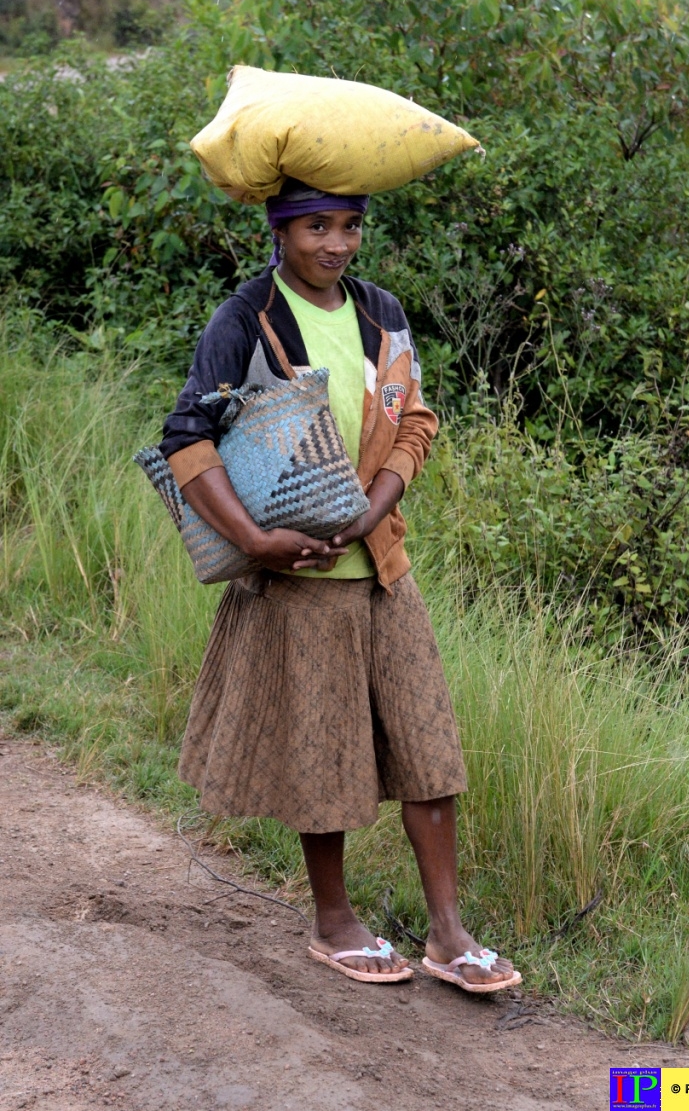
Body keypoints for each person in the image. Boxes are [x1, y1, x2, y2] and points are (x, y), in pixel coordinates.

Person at [159, 178, 520, 991]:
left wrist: (374, 508)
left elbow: (415, 419)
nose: (335, 243)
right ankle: (333, 921)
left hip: (381, 568)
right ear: (279, 230)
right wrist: (255, 540)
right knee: (322, 754)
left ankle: (448, 935)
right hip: (300, 582)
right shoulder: (245, 319)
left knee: (429, 747)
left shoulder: (380, 312)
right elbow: (187, 436)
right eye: (315, 225)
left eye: (350, 225)